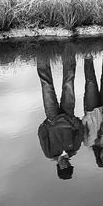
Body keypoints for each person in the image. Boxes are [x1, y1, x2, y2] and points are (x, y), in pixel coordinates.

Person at [37, 47, 83, 180]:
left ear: (58, 167)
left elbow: (42, 134)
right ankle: (68, 49)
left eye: (62, 168)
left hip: (52, 116)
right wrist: (72, 119)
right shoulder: (74, 149)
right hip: (68, 113)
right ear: (70, 165)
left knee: (46, 85)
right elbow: (80, 130)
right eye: (67, 167)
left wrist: (49, 123)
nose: (64, 165)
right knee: (69, 82)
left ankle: (41, 52)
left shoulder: (50, 153)